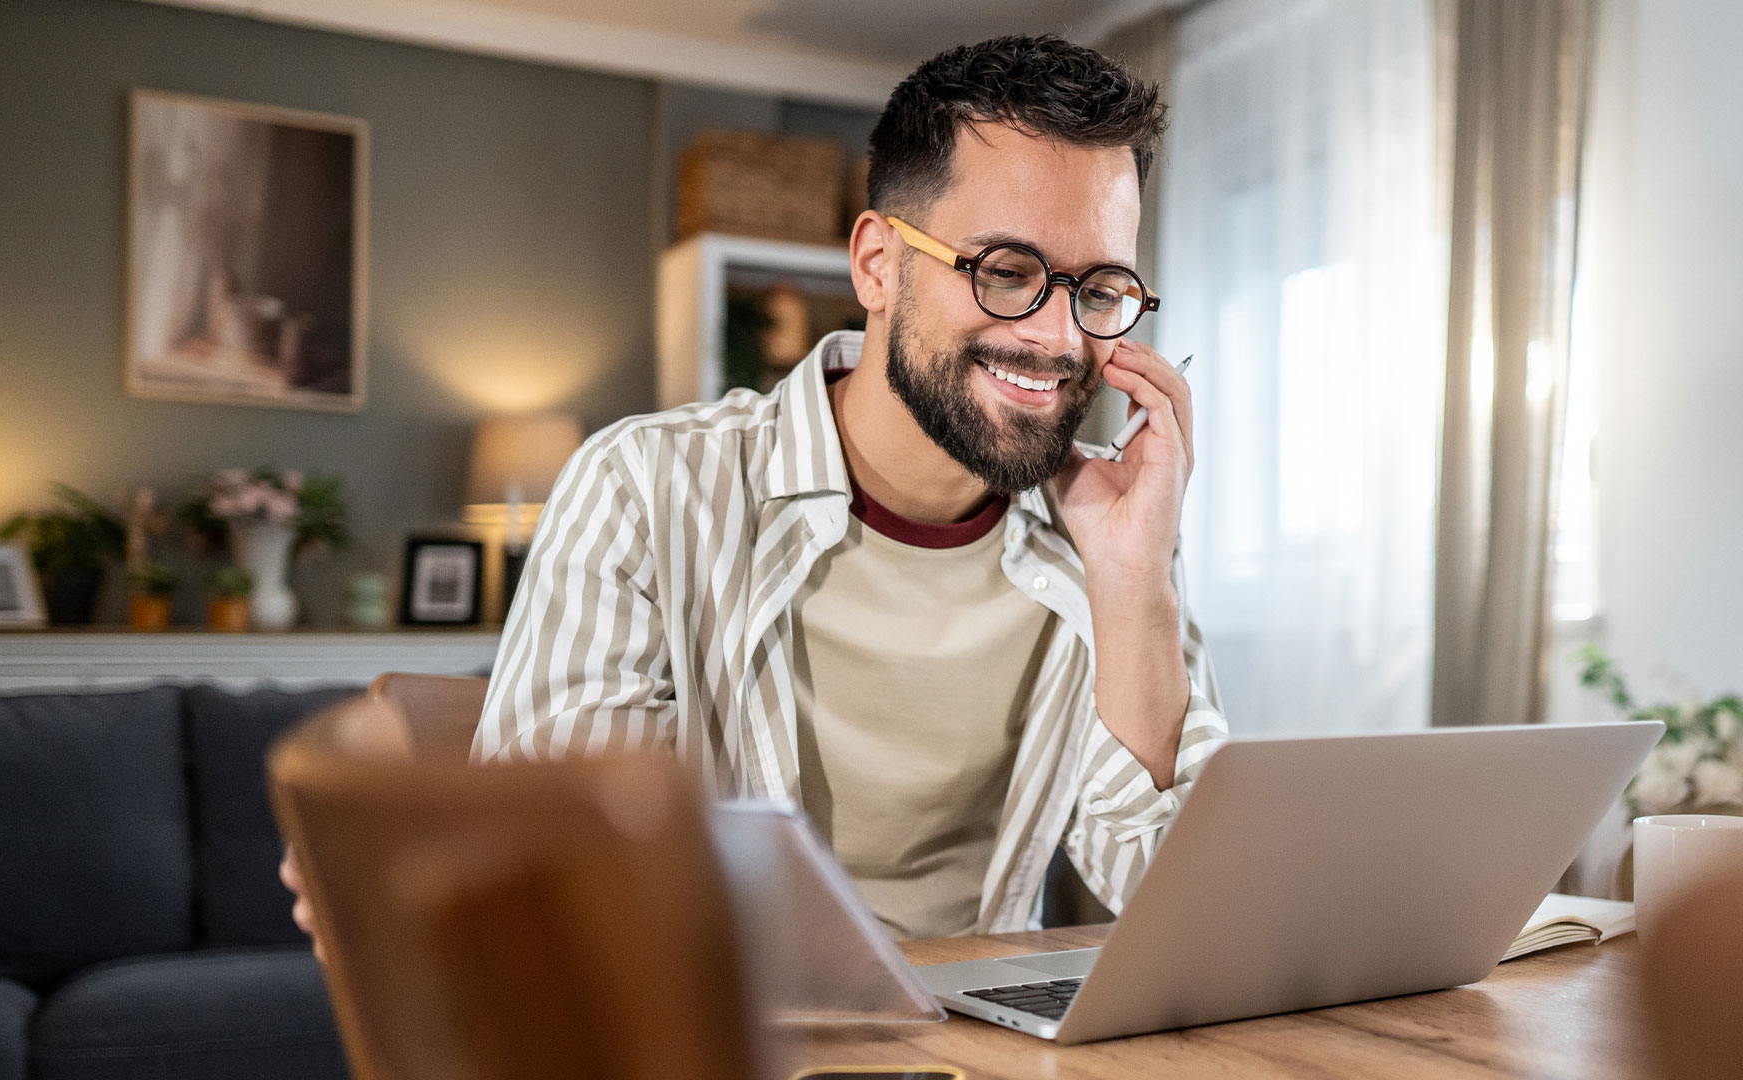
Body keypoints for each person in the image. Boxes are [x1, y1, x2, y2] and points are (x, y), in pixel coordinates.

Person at [286, 34, 1227, 945]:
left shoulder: (1113, 531)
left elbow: (1180, 898)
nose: (1060, 338)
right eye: (1007, 272)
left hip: (979, 1028)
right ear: (878, 265)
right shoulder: (646, 489)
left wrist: (1132, 581)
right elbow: (581, 884)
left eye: (1100, 290)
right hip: (720, 1016)